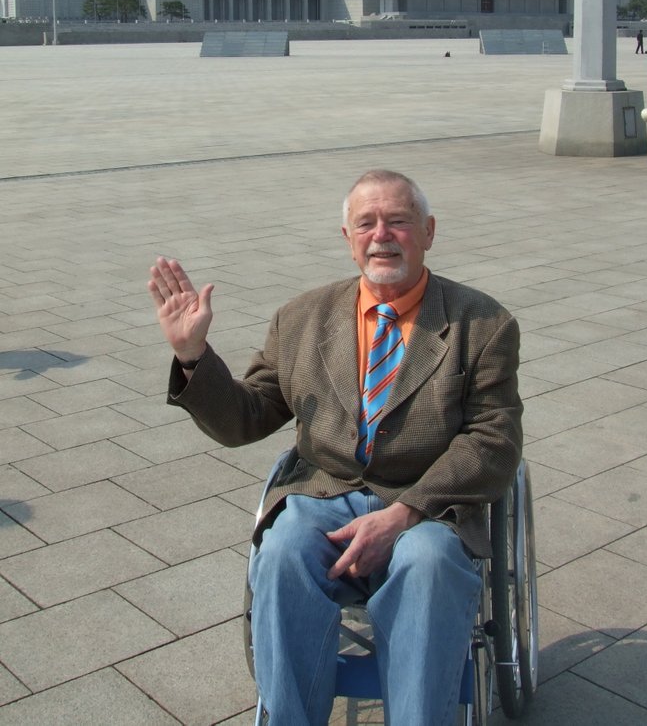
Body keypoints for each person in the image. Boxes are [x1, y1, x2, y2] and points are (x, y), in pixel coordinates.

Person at [148, 169, 522, 726]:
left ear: (428, 231)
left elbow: (494, 439)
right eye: (366, 224)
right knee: (281, 552)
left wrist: (403, 514)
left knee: (428, 564)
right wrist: (193, 357)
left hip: (427, 509)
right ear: (348, 239)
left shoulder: (483, 324)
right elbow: (247, 418)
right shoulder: (300, 319)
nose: (382, 235)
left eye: (398, 221)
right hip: (324, 495)